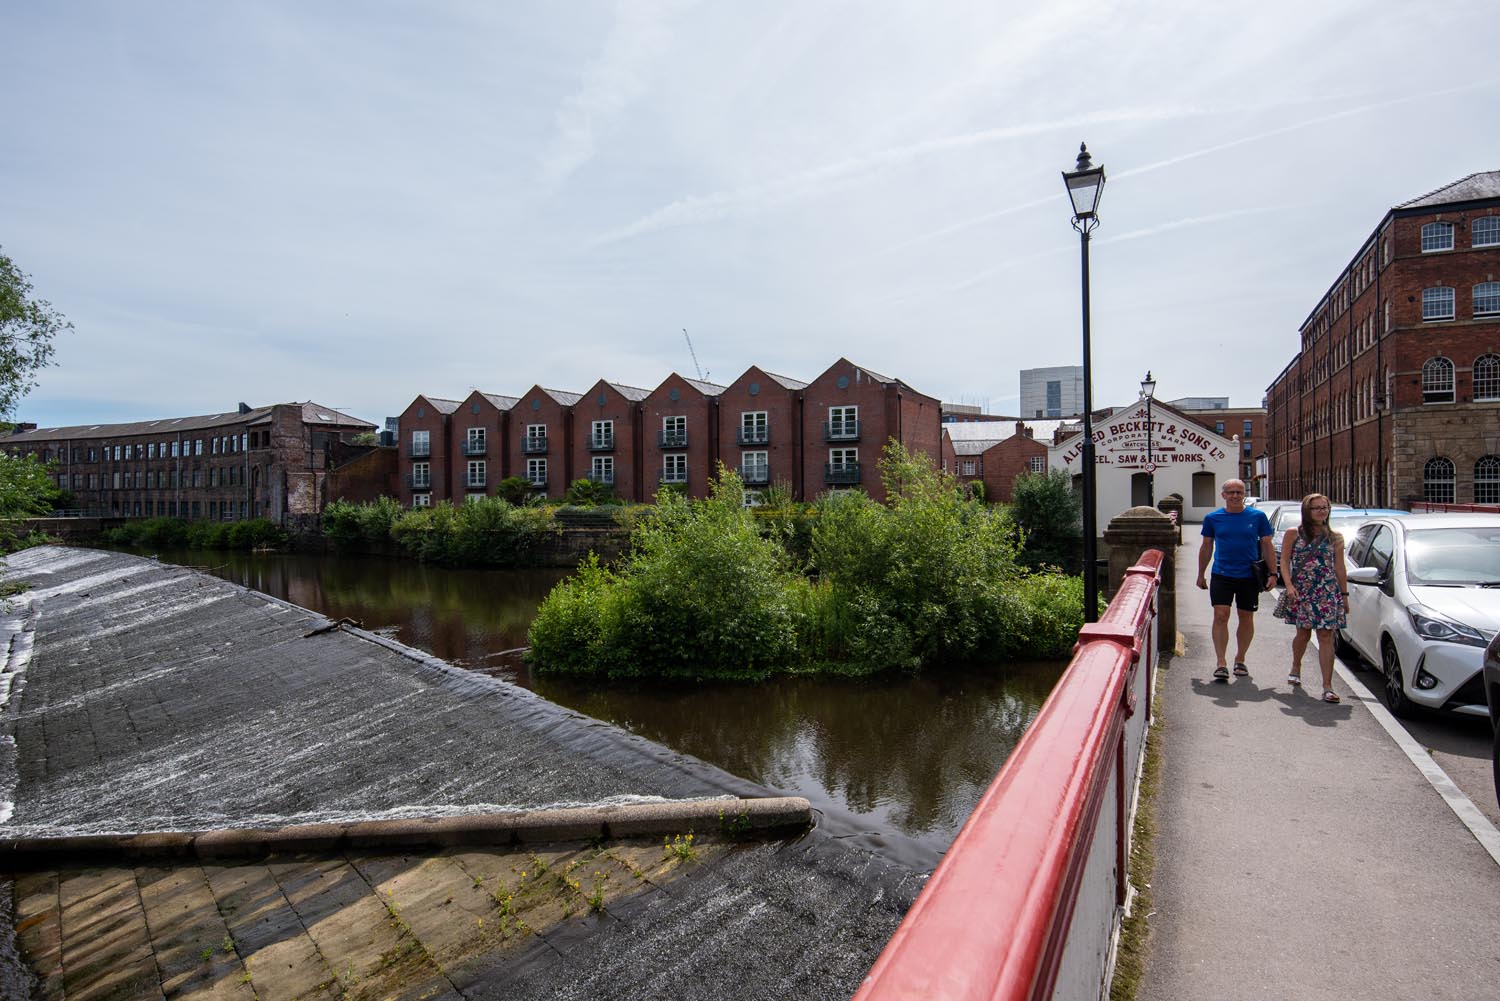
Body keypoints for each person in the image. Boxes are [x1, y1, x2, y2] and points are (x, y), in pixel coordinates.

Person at [1196, 479, 1276, 680]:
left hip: (1249, 575)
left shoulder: (1257, 517)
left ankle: (1240, 659)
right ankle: (1221, 662)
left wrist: (1273, 573)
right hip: (1222, 573)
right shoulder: (1213, 518)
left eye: (1239, 492)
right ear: (1223, 495)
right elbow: (1206, 546)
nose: (1235, 496)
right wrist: (1200, 573)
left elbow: (1267, 545)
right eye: (1230, 492)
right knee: (1221, 615)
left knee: (1246, 617)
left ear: (1244, 495)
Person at [1276, 493, 1349, 703]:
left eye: (1324, 507)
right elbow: (1284, 561)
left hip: (1326, 591)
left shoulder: (1335, 537)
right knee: (1303, 633)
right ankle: (1296, 665)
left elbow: (1339, 567)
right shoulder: (1293, 533)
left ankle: (1327, 686)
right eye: (1316, 508)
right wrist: (1289, 586)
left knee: (1326, 636)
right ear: (1307, 511)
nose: (1321, 511)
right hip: (1302, 590)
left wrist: (1344, 595)